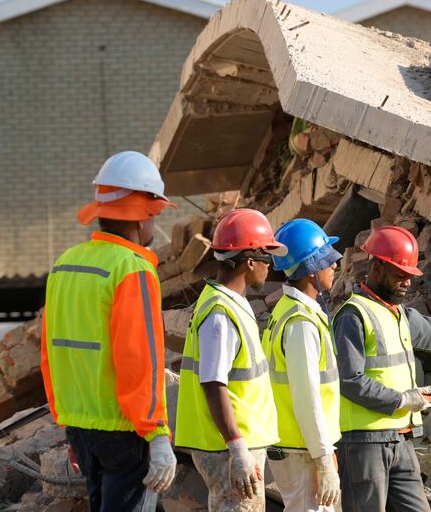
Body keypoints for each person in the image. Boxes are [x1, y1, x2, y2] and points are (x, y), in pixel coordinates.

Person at [41, 150, 178, 512]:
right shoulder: (132, 270)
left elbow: (51, 353)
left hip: (81, 428)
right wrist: (157, 433)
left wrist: (69, 423)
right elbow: (140, 359)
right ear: (143, 216)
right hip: (125, 432)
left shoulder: (64, 265)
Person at [333, 225, 431, 512]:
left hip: (400, 437)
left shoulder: (396, 314)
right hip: (363, 442)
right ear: (378, 268)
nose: (407, 283)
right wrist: (402, 400)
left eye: (410, 276)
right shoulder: (352, 315)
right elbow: (349, 380)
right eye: (400, 275)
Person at [175, 208, 286, 512]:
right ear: (250, 261)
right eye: (268, 257)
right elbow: (213, 383)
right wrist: (237, 447)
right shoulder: (220, 314)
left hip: (234, 444)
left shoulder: (229, 305)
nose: (270, 267)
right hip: (228, 447)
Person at [262, 219, 343, 512]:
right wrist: (323, 458)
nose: (334, 266)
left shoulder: (289, 313)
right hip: (302, 449)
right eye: (328, 260)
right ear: (311, 268)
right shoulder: (300, 322)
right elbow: (306, 396)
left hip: (301, 445)